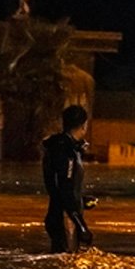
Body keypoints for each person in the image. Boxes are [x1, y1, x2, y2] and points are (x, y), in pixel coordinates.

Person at [41, 105, 92, 253]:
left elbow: (62, 185)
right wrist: (81, 225)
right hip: (65, 218)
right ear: (83, 125)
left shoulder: (62, 147)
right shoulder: (66, 151)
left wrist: (81, 200)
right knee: (67, 265)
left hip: (62, 214)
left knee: (64, 261)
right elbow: (65, 188)